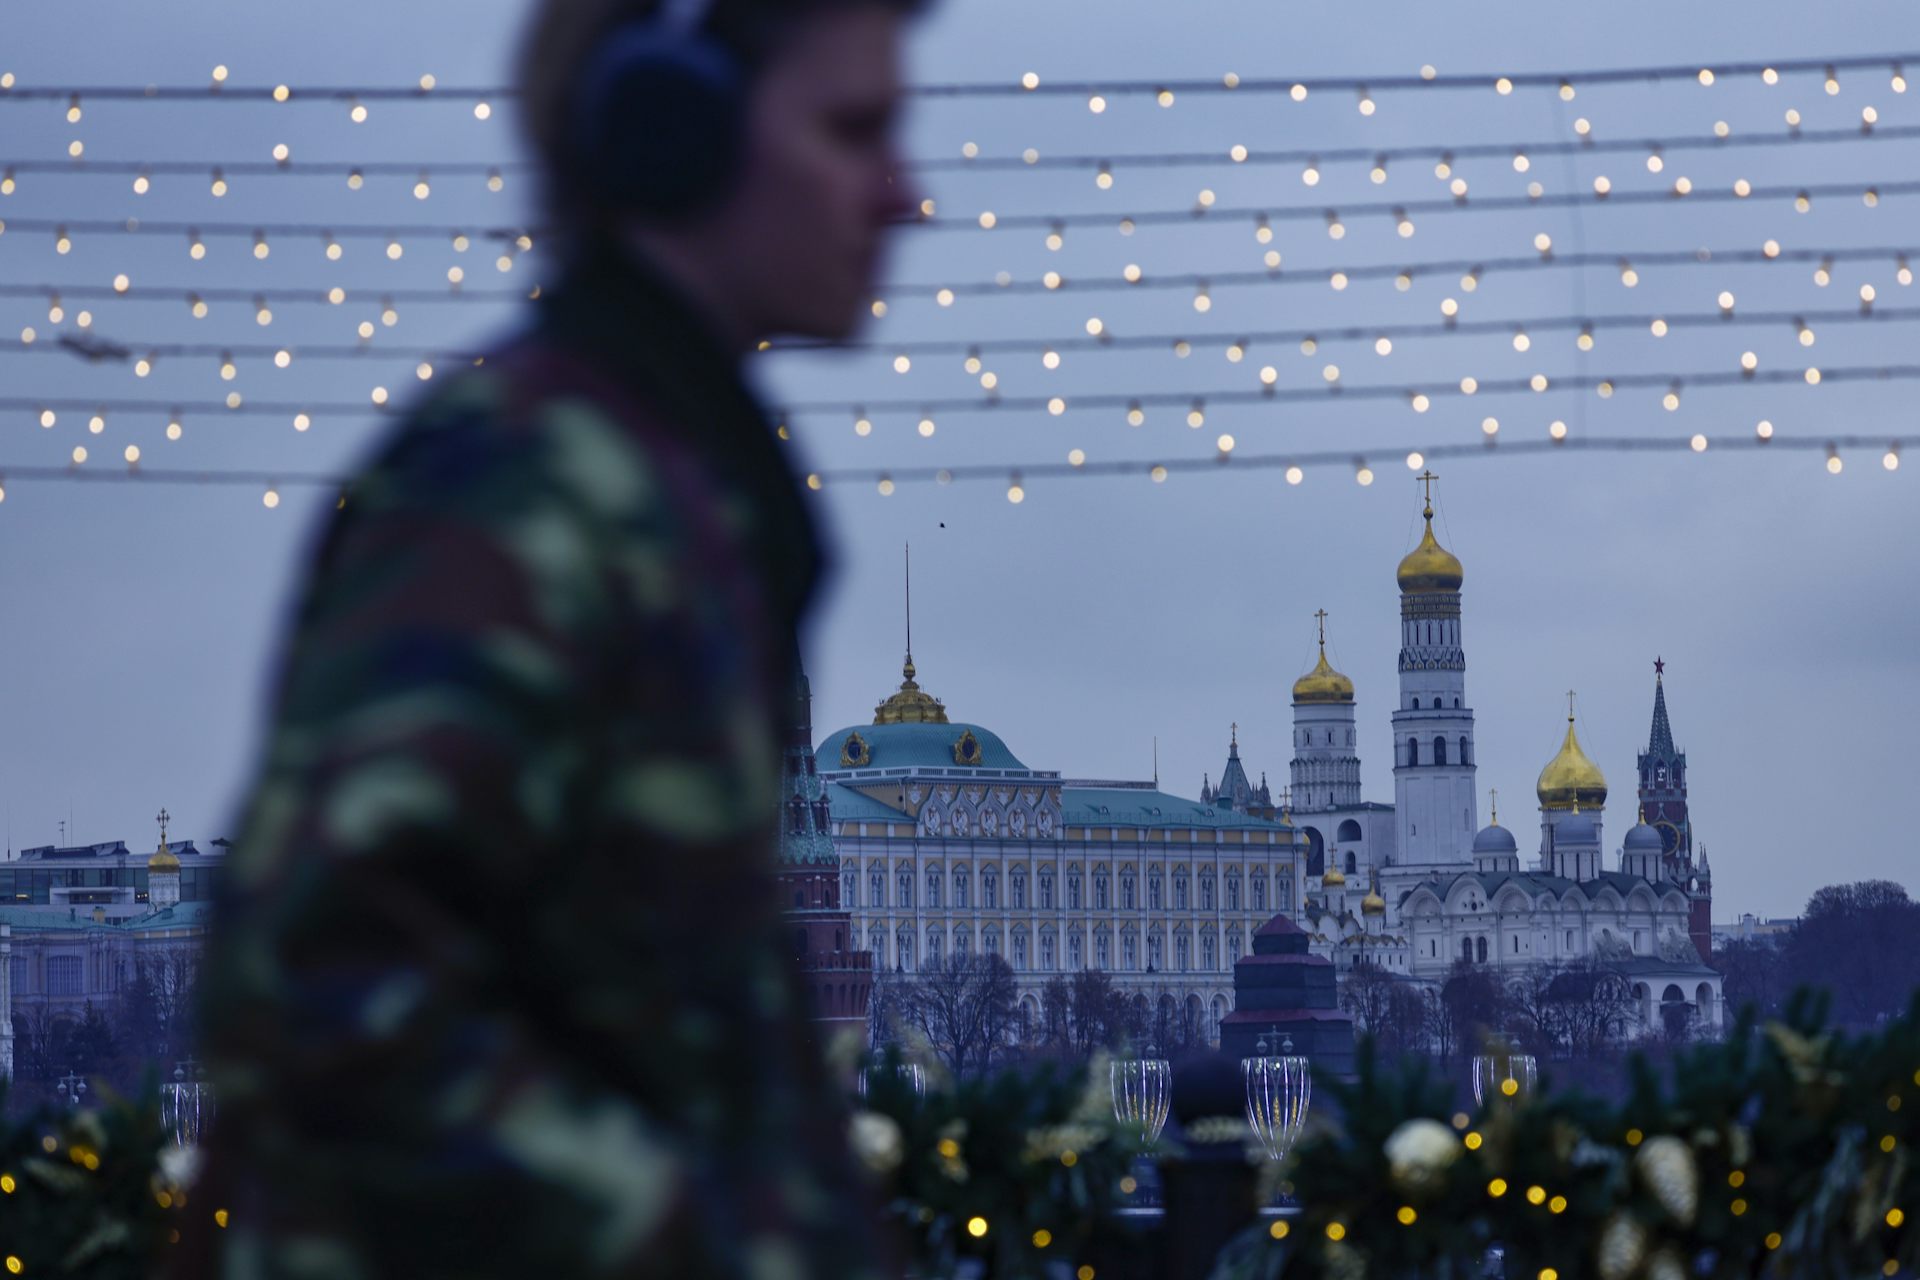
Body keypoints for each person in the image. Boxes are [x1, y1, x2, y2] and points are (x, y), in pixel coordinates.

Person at [192, 0, 919, 1274]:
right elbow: (324, 978)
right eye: (856, 131)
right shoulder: (523, 486)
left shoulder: (651, 485)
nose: (904, 195)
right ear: (674, 135)